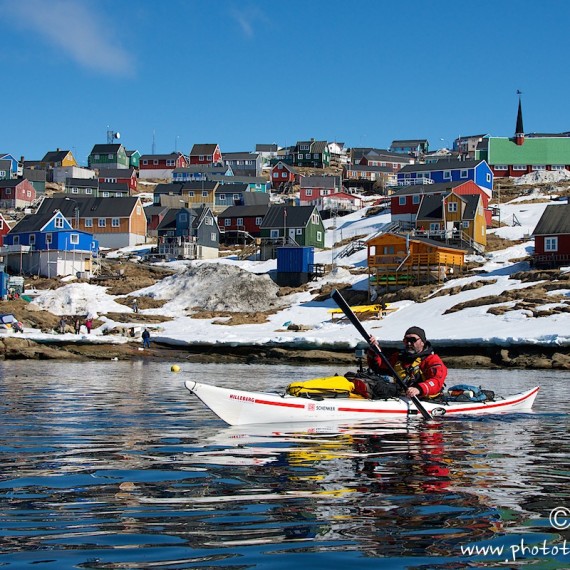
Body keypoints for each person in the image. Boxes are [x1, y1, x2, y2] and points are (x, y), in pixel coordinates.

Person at [368, 326, 447, 399]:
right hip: (402, 398)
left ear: (422, 342)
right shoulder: (398, 358)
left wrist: (419, 389)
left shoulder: (432, 360)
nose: (409, 343)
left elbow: (437, 381)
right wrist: (375, 349)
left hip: (426, 401)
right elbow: (378, 367)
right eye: (406, 340)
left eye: (413, 340)